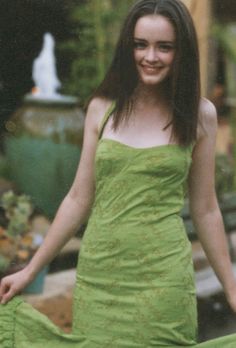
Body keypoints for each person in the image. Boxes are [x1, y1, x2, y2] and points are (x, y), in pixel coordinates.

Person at [1, 0, 236, 346]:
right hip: (100, 276)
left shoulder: (200, 114)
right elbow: (79, 197)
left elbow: (205, 209)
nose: (150, 57)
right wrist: (31, 270)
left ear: (182, 51)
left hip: (163, 280)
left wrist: (231, 286)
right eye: (140, 44)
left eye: (164, 47)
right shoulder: (102, 108)